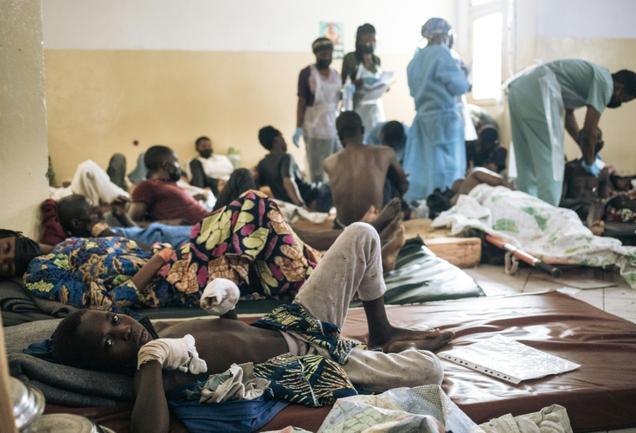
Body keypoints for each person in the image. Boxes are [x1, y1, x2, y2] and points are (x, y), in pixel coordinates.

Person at [47, 222, 454, 433]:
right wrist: (151, 362)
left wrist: (228, 304)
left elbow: (232, 333)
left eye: (116, 320)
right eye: (109, 342)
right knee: (431, 371)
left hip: (296, 321)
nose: (123, 331)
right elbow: (149, 429)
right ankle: (369, 354)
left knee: (362, 234)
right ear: (104, 364)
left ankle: (380, 330)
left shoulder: (159, 327)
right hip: (313, 363)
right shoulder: (151, 371)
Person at [18, 191, 406, 309]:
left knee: (266, 233)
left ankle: (362, 255)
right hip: (175, 280)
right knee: (256, 206)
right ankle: (364, 252)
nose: (7, 256)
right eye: (1, 260)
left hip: (181, 260)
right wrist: (155, 261)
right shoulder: (40, 276)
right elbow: (106, 303)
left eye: (2, 247)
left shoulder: (64, 246)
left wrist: (153, 252)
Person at [507, 60, 636, 206]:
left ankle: (525, 208)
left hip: (519, 87)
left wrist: (581, 144)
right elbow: (589, 132)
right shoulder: (605, 82)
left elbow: (568, 114)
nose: (619, 104)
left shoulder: (589, 80)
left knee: (525, 157)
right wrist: (590, 161)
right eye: (623, 100)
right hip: (540, 89)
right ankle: (548, 215)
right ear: (619, 89)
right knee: (552, 160)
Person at [402, 18, 470, 203]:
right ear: (445, 34)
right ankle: (445, 202)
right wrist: (465, 74)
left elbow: (413, 89)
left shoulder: (415, 60)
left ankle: (427, 203)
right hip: (444, 119)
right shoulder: (442, 53)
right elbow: (459, 86)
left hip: (423, 117)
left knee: (426, 165)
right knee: (448, 168)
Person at [324, 112, 408, 227]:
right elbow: (403, 184)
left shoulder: (329, 162)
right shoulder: (385, 153)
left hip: (342, 228)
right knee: (391, 178)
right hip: (374, 227)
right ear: (363, 130)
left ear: (339, 135)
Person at [56, 194, 192, 249]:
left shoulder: (102, 230)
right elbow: (150, 252)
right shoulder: (90, 244)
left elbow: (138, 233)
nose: (99, 212)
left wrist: (123, 216)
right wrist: (107, 234)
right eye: (92, 211)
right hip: (174, 241)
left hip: (172, 233)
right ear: (77, 223)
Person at [294, 37, 342, 182]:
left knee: (335, 166)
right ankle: (317, 200)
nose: (327, 56)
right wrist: (298, 127)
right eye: (323, 53)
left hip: (333, 124)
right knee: (317, 169)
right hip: (314, 126)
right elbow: (301, 101)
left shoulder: (335, 74)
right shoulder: (308, 73)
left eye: (329, 53)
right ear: (316, 54)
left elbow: (338, 99)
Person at [129, 145, 210, 225]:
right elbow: (131, 222)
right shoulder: (148, 185)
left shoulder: (171, 185)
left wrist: (194, 198)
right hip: (205, 229)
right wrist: (168, 223)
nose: (179, 166)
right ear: (165, 165)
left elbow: (173, 205)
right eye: (176, 161)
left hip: (212, 220)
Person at [256, 126, 331, 212]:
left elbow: (258, 185)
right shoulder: (286, 157)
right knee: (330, 185)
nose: (285, 141)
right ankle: (318, 209)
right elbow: (288, 182)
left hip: (289, 203)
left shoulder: (262, 164)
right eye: (282, 137)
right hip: (312, 195)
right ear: (276, 140)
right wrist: (301, 206)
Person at [341, 23, 385, 136]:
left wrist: (384, 85)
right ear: (359, 41)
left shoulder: (376, 60)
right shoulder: (350, 58)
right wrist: (358, 83)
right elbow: (344, 84)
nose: (370, 43)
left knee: (376, 137)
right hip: (358, 105)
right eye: (367, 40)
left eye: (373, 40)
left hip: (375, 107)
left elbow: (380, 78)